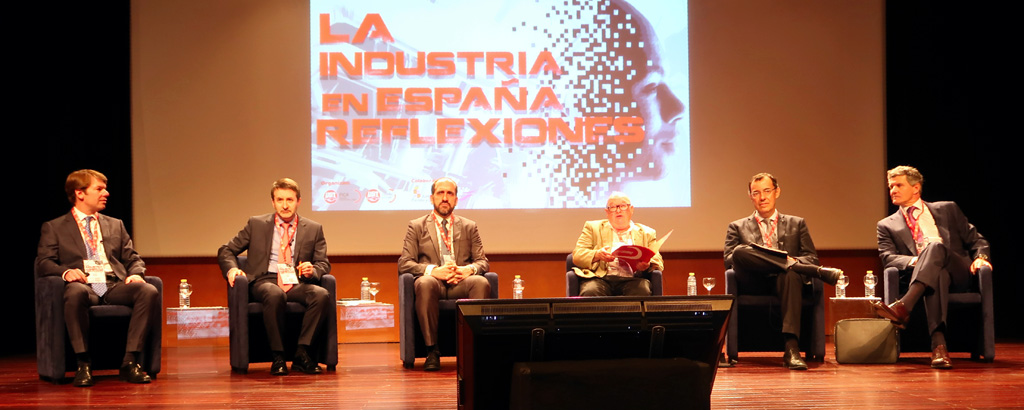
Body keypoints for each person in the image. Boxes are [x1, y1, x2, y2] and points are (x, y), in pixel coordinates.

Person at [35, 169, 159, 387]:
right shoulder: (54, 227)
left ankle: (130, 362)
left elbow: (132, 258)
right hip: (84, 285)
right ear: (80, 193)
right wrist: (66, 272)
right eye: (99, 189)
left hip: (112, 285)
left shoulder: (115, 224)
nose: (107, 193)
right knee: (74, 292)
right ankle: (83, 363)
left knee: (148, 290)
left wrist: (136, 274)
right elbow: (44, 262)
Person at [873, 166, 991, 369]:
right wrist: (916, 261)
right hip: (926, 276)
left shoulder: (947, 209)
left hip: (958, 271)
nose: (893, 190)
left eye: (899, 185)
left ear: (916, 188)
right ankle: (939, 347)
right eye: (891, 186)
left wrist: (981, 257)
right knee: (937, 276)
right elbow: (888, 258)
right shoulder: (886, 225)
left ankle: (904, 306)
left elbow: (976, 239)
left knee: (935, 246)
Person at [723, 173, 843, 370]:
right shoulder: (737, 226)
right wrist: (785, 261)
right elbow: (729, 261)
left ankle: (792, 349)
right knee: (739, 251)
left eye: (767, 191)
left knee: (789, 274)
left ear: (777, 192)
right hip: (754, 281)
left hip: (786, 281)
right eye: (756, 193)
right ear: (750, 196)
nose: (762, 197)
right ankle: (795, 266)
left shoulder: (797, 223)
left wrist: (786, 264)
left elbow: (811, 257)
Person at [218, 178, 332, 375]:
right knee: (274, 294)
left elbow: (323, 263)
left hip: (294, 281)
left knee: (321, 294)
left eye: (290, 199)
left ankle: (301, 353)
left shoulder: (313, 228)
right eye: (280, 200)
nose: (285, 205)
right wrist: (232, 269)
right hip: (265, 280)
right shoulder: (256, 224)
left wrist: (312, 270)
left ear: (299, 201)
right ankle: (278, 356)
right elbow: (226, 250)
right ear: (273, 202)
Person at [398, 177, 491, 371]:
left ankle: (475, 349)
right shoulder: (416, 226)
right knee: (424, 283)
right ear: (432, 198)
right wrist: (434, 271)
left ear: (456, 200)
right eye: (440, 193)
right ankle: (432, 351)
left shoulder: (469, 226)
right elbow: (405, 263)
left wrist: (468, 270)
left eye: (450, 194)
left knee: (480, 282)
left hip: (461, 282)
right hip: (433, 283)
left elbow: (483, 262)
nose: (445, 198)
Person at [570, 192, 664, 296]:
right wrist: (597, 255)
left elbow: (657, 261)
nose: (618, 210)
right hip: (600, 278)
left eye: (623, 206)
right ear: (607, 211)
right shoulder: (593, 228)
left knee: (641, 290)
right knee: (590, 290)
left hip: (632, 279)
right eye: (613, 207)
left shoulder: (647, 233)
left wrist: (646, 265)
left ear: (631, 209)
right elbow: (577, 255)